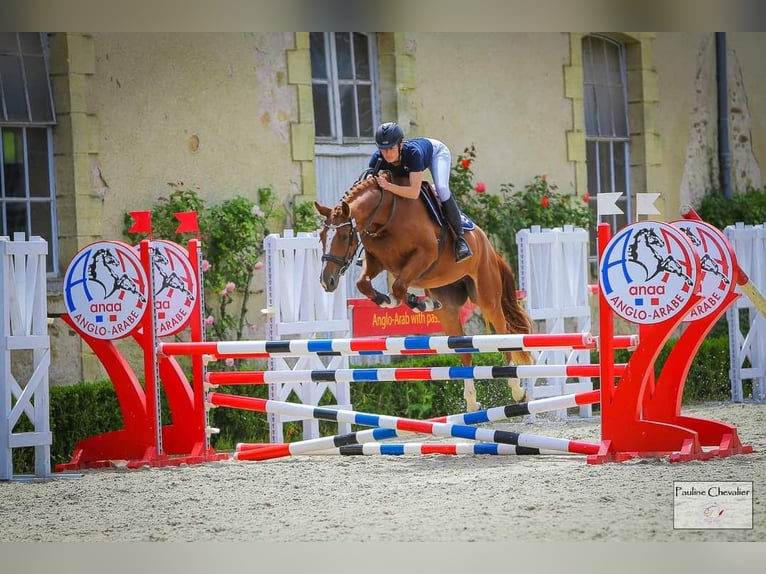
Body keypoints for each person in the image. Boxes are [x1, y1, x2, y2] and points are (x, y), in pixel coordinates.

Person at [368, 122, 473, 262]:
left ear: (401, 144)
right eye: (383, 149)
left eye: (391, 148)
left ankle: (460, 239)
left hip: (436, 153)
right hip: (415, 159)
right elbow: (369, 183)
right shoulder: (378, 158)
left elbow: (413, 192)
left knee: (441, 188)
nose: (387, 154)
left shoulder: (413, 154)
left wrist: (388, 186)